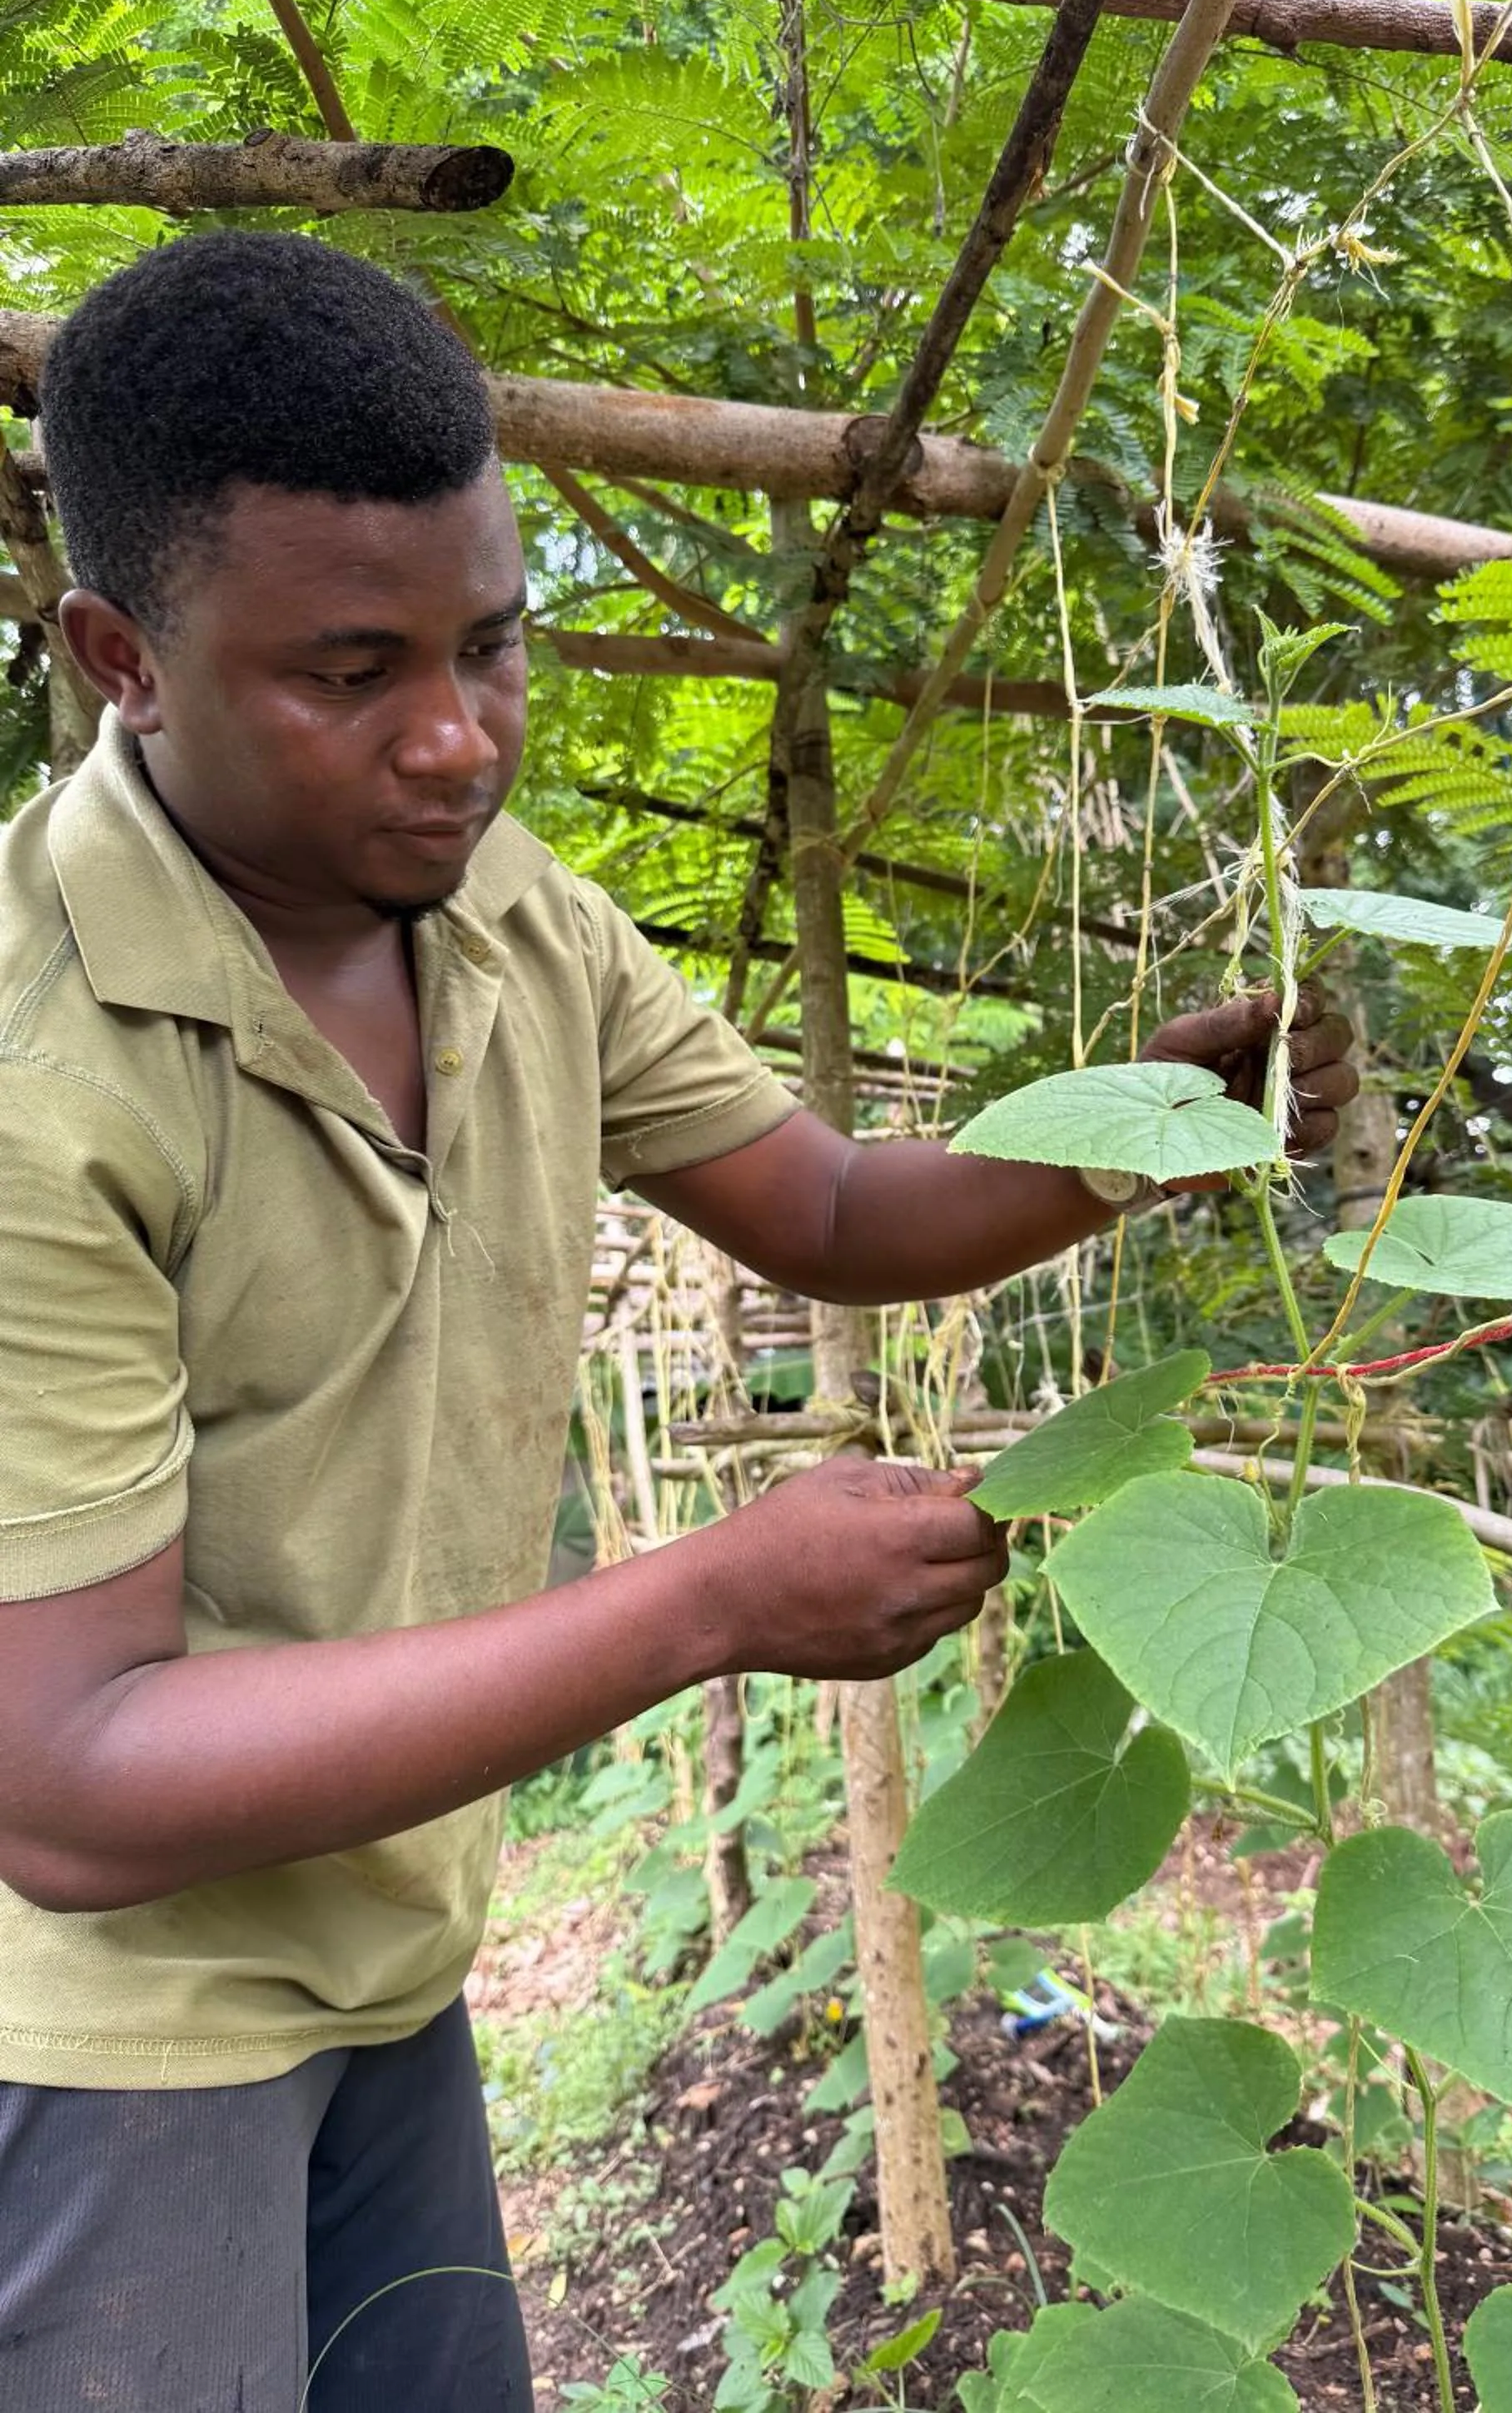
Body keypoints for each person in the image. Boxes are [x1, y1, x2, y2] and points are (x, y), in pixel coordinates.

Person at [0, 231, 1357, 2413]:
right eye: (350, 674)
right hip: (105, 2031)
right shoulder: (39, 1079)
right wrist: (707, 1601)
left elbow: (822, 1203)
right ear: (116, 654)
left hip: (382, 1948)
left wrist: (1159, 1125)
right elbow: (64, 1784)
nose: (458, 740)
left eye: (495, 646)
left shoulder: (506, 911)